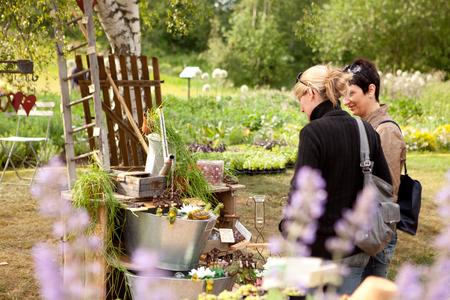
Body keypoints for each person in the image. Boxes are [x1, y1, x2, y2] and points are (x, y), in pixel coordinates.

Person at [280, 64, 392, 294]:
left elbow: (301, 194)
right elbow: (385, 186)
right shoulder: (365, 129)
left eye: (300, 100)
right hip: (356, 248)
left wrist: (286, 228)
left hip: (317, 253)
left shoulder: (313, 133)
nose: (301, 109)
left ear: (311, 93)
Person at [343, 58, 406, 280]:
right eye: (344, 94)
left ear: (371, 90)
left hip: (376, 231)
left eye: (351, 93)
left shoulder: (385, 131)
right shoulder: (365, 127)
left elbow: (386, 189)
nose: (346, 101)